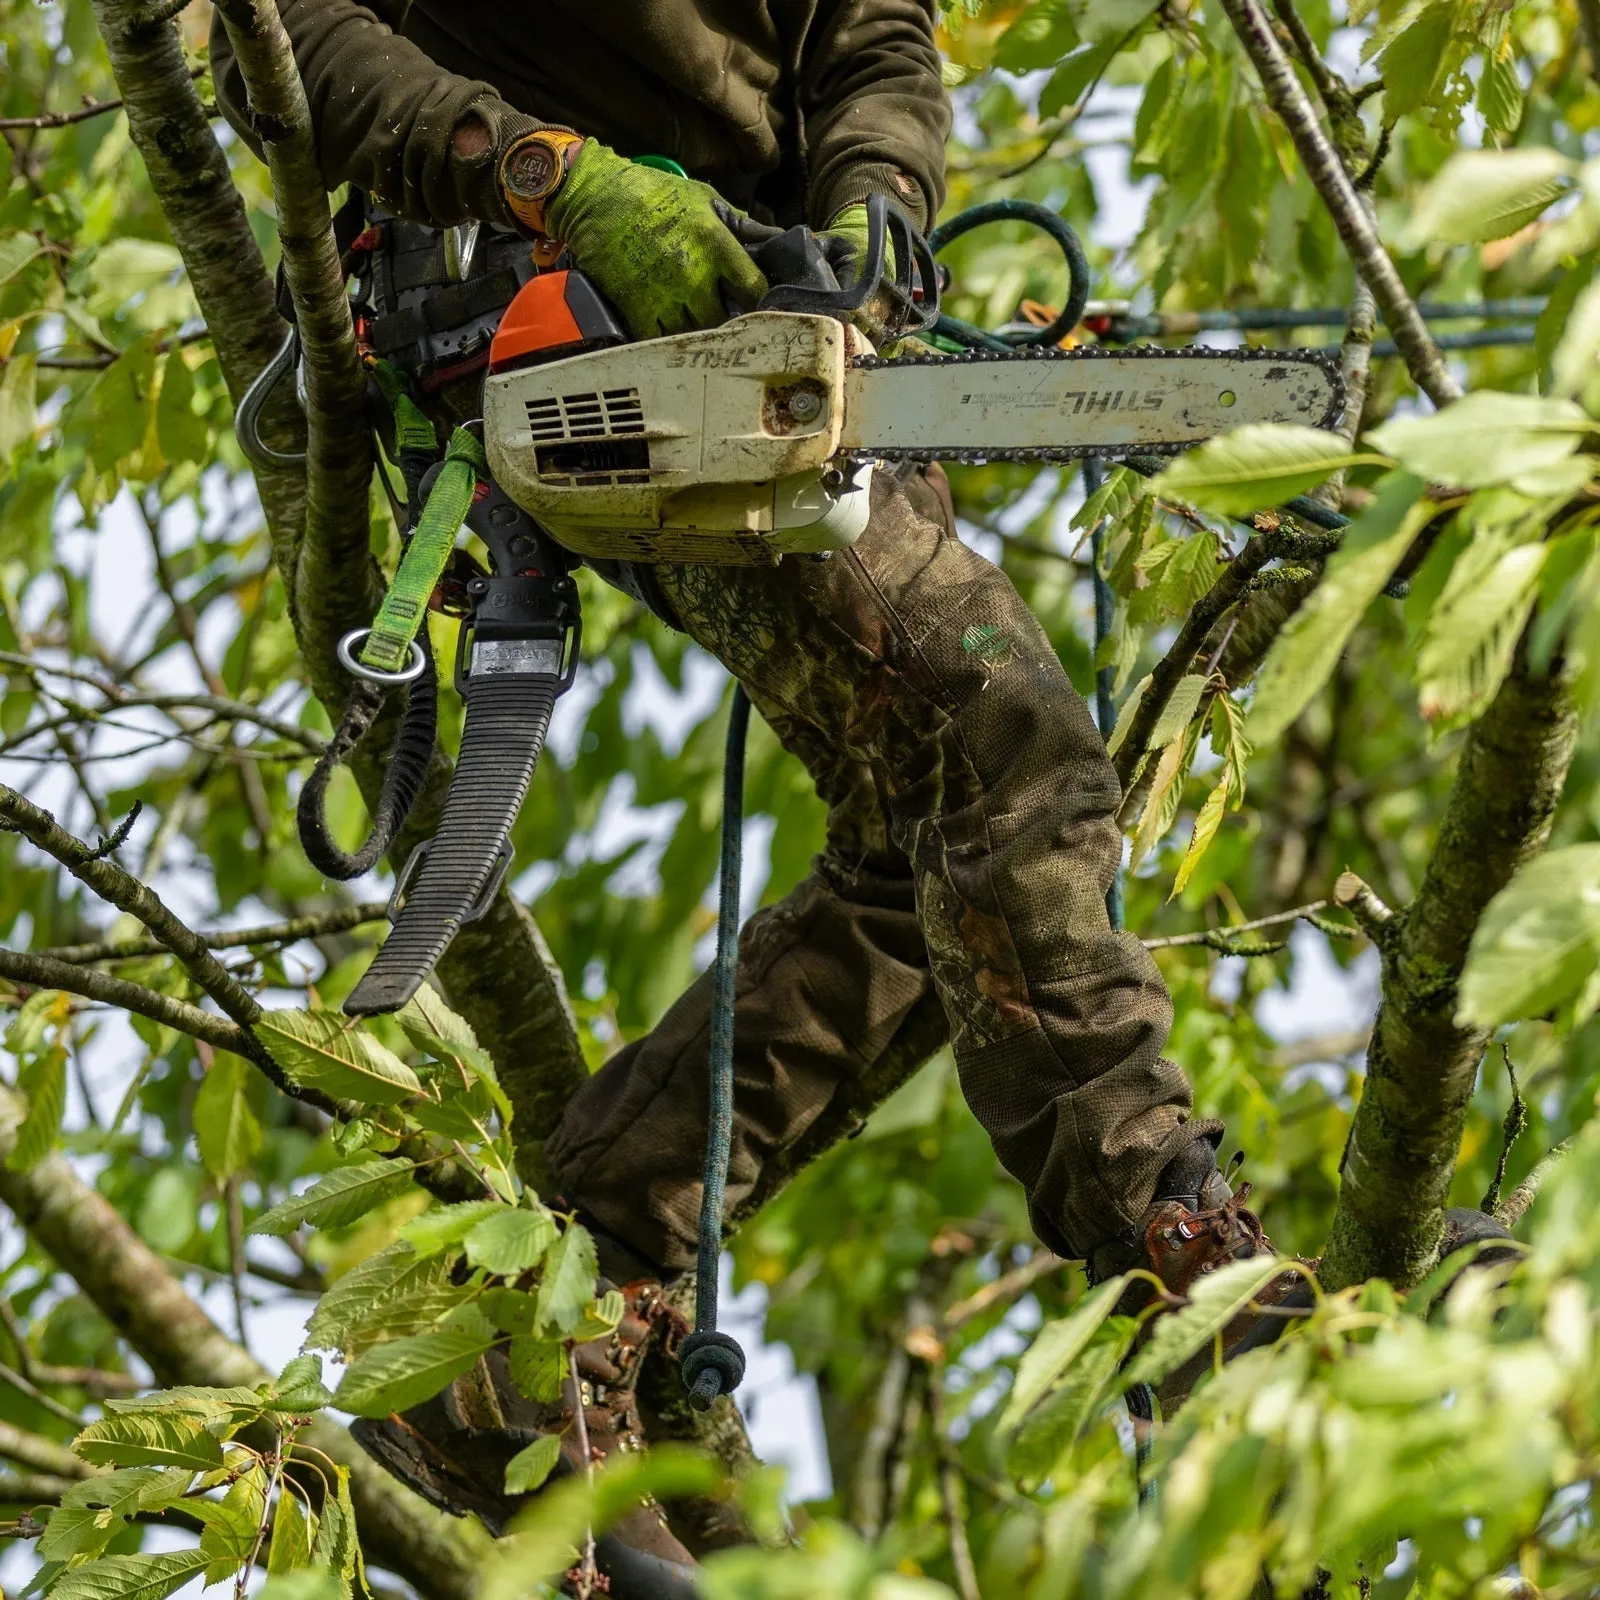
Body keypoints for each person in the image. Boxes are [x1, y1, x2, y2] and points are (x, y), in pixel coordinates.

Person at [211, 2, 1274, 1584]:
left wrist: (875, 212)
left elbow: (875, 44)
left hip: (759, 310)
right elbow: (275, 37)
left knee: (952, 864)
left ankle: (557, 1303)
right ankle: (1178, 1256)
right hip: (526, 283)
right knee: (1006, 744)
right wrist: (542, 172)